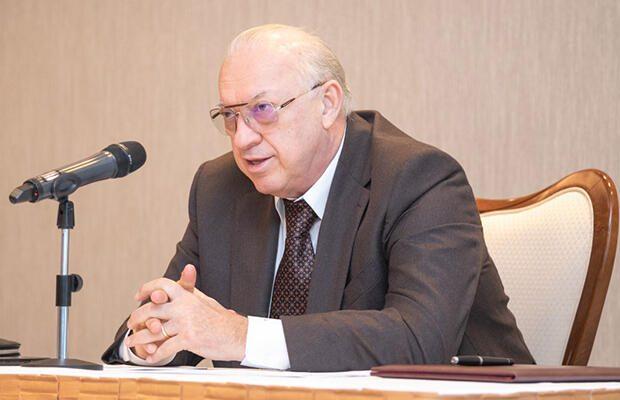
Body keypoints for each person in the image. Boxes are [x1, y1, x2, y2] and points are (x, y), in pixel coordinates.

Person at [102, 24, 534, 371]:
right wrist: (148, 341)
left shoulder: (419, 179)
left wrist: (239, 335)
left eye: (262, 110)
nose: (243, 139)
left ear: (327, 104)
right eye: (230, 116)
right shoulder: (221, 188)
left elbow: (420, 338)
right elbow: (180, 320)